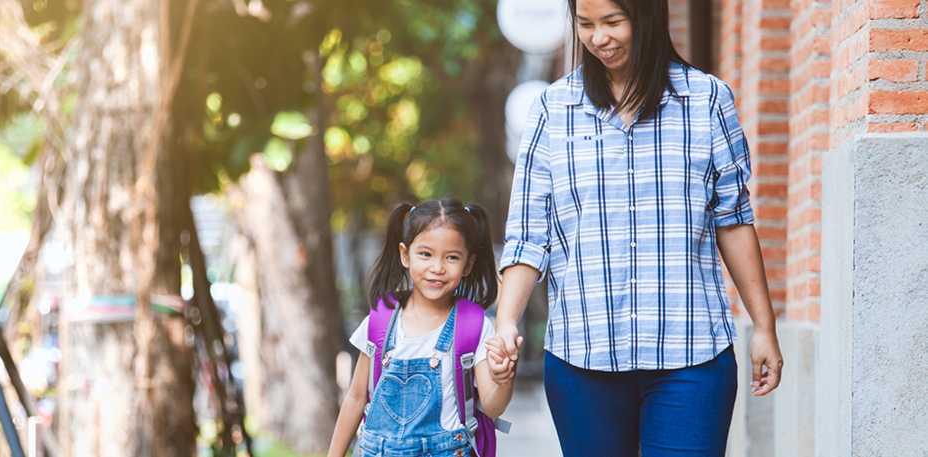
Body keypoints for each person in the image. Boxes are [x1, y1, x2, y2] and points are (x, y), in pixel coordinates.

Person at [486, 0, 785, 454]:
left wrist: (763, 326)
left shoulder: (707, 100)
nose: (597, 38)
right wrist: (505, 322)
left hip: (692, 358)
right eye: (585, 24)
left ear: (647, 16)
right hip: (582, 358)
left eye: (612, 22)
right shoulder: (553, 108)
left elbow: (734, 220)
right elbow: (528, 235)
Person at [328, 199, 520, 457]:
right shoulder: (378, 321)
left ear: (469, 264)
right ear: (405, 255)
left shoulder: (474, 327)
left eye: (452, 257)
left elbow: (493, 407)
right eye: (425, 254)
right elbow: (355, 398)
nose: (437, 268)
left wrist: (503, 380)